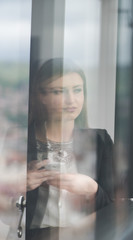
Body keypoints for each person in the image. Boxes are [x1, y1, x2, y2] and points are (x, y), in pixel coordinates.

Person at [26, 58, 114, 240]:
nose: (71, 100)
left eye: (77, 90)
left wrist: (93, 189)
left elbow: (121, 207)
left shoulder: (100, 141)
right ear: (41, 96)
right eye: (59, 91)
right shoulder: (20, 139)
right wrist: (18, 184)